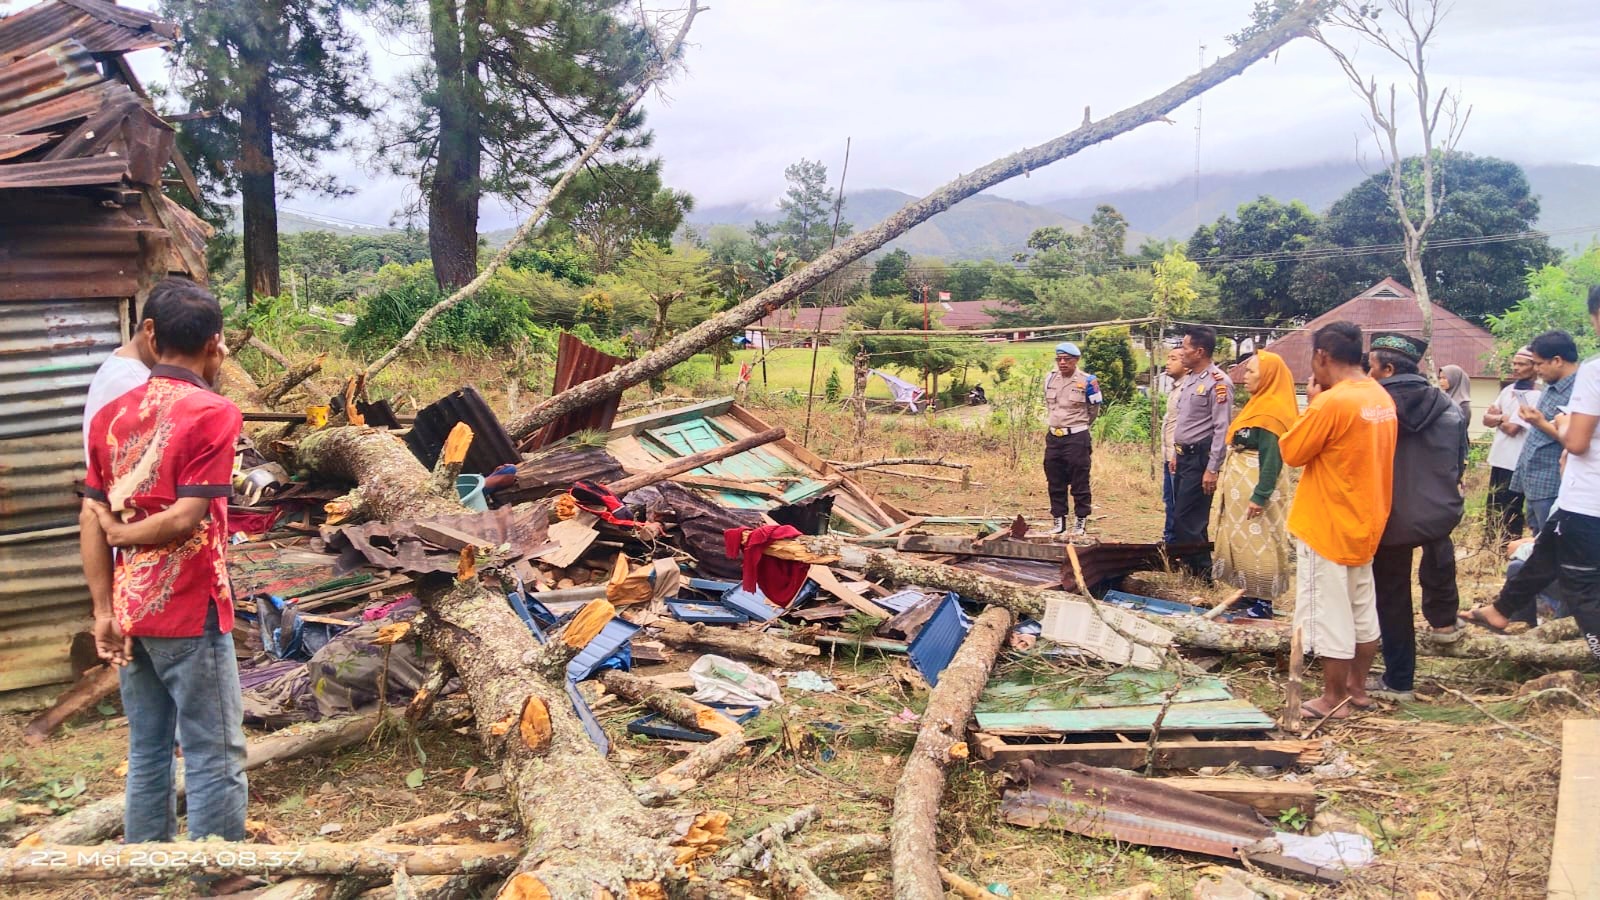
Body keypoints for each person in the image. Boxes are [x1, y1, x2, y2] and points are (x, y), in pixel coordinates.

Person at [81, 278, 247, 844]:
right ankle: (217, 873)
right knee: (214, 746)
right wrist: (122, 529)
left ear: (150, 335)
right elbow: (185, 518)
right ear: (215, 343)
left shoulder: (111, 414)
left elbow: (91, 519)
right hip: (187, 605)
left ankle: (146, 861)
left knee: (148, 745)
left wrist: (103, 610)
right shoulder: (214, 412)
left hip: (130, 608)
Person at [1462, 287, 1600, 664]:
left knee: (1583, 588)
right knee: (1544, 552)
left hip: (1589, 501)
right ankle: (1500, 611)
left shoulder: (1594, 371)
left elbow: (1578, 443)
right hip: (1574, 498)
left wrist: (1561, 422)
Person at [1278, 321, 1398, 719]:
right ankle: (1356, 689)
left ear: (1322, 357)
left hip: (1327, 522)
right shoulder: (1378, 396)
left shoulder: (1332, 403)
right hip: (1365, 520)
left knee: (1328, 614)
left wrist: (1312, 403)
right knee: (1362, 610)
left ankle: (1332, 698)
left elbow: (1292, 452)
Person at [1365, 333, 1466, 702]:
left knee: (1391, 596)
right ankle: (1443, 623)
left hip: (1386, 517)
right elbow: (1458, 464)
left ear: (1387, 368)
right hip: (1437, 513)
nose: (1369, 373)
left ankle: (1399, 679)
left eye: (1373, 366)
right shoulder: (1449, 407)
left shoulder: (1374, 408)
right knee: (1438, 557)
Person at [1209, 350, 1298, 618]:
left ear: (1268, 376)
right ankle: (1247, 593)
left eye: (1250, 371)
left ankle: (1264, 602)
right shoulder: (1257, 404)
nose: (1244, 376)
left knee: (1263, 541)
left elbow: (1273, 459)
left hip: (1257, 487)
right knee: (1243, 539)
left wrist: (1260, 496)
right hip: (1240, 484)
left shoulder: (1273, 412)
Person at [1169, 325, 1234, 576]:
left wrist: (1212, 469)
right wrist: (1176, 453)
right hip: (1185, 456)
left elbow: (1221, 429)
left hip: (1201, 458)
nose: (1181, 352)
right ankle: (1190, 570)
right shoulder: (1191, 379)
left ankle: (1203, 576)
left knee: (1189, 519)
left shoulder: (1218, 383)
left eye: (1185, 348)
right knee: (1184, 517)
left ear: (1199, 351)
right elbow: (1187, 422)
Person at [1510, 330, 1581, 534]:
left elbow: (1576, 439)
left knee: (1550, 544)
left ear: (1557, 360)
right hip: (1534, 481)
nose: (1536, 369)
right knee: (1536, 539)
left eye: (1540, 364)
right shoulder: (1552, 386)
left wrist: (1539, 422)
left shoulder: (1580, 390)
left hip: (1552, 484)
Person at [1043, 341, 1101, 536]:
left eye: (1067, 359)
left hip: (1076, 436)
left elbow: (1094, 410)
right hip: (1054, 436)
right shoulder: (1050, 379)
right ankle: (1059, 521)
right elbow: (1050, 406)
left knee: (1079, 480)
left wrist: (1079, 426)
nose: (1062, 363)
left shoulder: (1088, 381)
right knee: (1054, 479)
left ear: (1076, 360)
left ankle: (1080, 521)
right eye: (1059, 359)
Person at [1483, 348, 1540, 543]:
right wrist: (1501, 418)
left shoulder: (1535, 395)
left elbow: (1513, 428)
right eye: (1515, 363)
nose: (1516, 368)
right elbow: (1486, 419)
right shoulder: (1508, 390)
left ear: (1534, 367)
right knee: (1493, 504)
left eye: (1522, 364)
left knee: (1510, 508)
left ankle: (1508, 547)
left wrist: (1498, 419)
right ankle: (1491, 544)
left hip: (1516, 461)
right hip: (1498, 458)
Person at [1160, 347, 1188, 544]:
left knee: (1179, 504)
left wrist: (1177, 455)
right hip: (1168, 454)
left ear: (1186, 364)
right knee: (1169, 501)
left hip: (1177, 456)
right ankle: (1169, 540)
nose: (1168, 363)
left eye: (1173, 358)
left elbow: (1185, 425)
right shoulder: (1176, 387)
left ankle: (1178, 545)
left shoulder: (1188, 388)